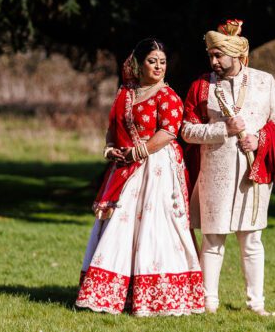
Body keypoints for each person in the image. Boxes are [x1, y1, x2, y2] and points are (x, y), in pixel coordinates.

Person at [75, 38, 205, 317]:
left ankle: (159, 295)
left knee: (155, 224)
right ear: (139, 62)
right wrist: (111, 149)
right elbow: (114, 126)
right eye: (152, 61)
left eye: (162, 62)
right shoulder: (127, 92)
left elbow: (169, 132)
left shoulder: (168, 96)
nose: (158, 66)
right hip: (127, 165)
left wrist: (139, 152)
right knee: (120, 222)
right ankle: (114, 293)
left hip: (157, 168)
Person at [182, 19, 275, 316]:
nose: (213, 61)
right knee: (213, 239)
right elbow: (186, 131)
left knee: (252, 240)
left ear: (236, 55)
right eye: (211, 55)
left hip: (253, 174)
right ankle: (208, 304)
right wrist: (222, 131)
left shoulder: (264, 81)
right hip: (214, 173)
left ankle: (256, 305)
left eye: (218, 55)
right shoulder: (201, 86)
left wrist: (258, 139)